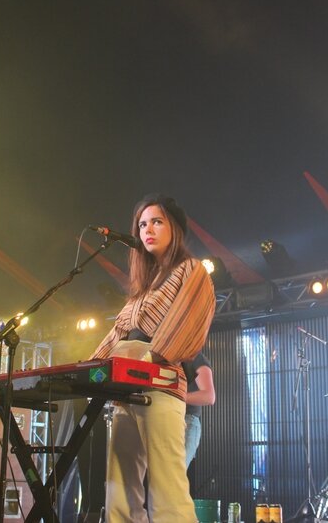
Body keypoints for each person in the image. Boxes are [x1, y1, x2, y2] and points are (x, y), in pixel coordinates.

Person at [90, 194, 216, 522]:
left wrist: (148, 358)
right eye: (142, 224)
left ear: (174, 227)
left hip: (158, 383)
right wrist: (88, 369)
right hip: (123, 388)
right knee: (119, 488)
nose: (148, 229)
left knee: (167, 490)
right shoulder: (139, 292)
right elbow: (117, 332)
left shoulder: (192, 270)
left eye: (157, 221)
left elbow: (182, 332)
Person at [183, 351, 215, 467]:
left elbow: (209, 396)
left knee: (173, 475)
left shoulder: (196, 357)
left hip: (187, 421)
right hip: (170, 419)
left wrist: (176, 397)